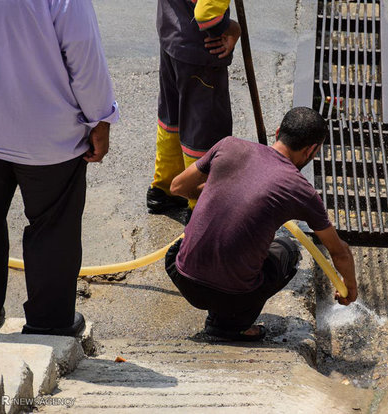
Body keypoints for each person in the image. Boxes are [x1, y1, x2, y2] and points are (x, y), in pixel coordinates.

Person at [0, 0, 119, 336]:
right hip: (49, 134)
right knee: (53, 228)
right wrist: (101, 117)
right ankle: (49, 323)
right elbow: (83, 52)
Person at [165, 107, 358, 341]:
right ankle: (231, 325)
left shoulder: (228, 145)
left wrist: (218, 189)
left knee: (186, 245)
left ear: (278, 132)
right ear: (311, 150)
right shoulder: (301, 190)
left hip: (182, 276)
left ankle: (225, 311)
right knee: (289, 249)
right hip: (232, 295)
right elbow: (339, 251)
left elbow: (177, 187)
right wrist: (351, 289)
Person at [146, 0, 241, 215]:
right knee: (204, 131)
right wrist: (231, 28)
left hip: (172, 33)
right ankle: (201, 207)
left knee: (173, 117)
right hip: (200, 51)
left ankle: (165, 189)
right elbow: (209, 14)